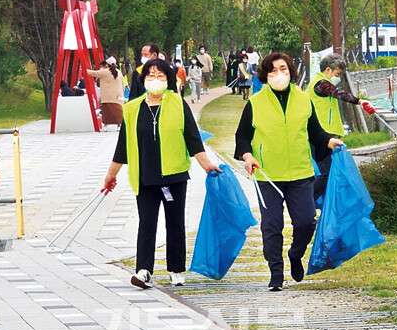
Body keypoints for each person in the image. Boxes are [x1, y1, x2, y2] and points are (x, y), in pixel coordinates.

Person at [103, 58, 221, 289]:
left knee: (175, 223)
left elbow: (193, 140)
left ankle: (176, 269)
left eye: (160, 76)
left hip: (174, 176)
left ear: (168, 80)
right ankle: (144, 270)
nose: (155, 80)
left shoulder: (178, 103)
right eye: (150, 75)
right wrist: (111, 175)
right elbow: (122, 147)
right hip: (144, 176)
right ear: (143, 78)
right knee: (147, 223)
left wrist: (207, 165)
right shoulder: (132, 108)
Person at [234, 53, 343, 291]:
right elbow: (242, 136)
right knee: (271, 225)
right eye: (272, 71)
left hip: (300, 173)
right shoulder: (255, 102)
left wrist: (330, 142)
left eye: (282, 69)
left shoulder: (304, 100)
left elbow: (316, 133)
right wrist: (247, 156)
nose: (278, 74)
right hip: (268, 175)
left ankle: (295, 254)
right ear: (265, 75)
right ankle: (276, 273)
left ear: (291, 71)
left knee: (305, 222)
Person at [305, 53, 375, 201]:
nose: (338, 78)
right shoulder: (321, 84)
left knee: (329, 174)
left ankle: (312, 203)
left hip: (323, 135)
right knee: (327, 174)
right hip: (322, 135)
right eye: (337, 74)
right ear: (328, 70)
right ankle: (305, 201)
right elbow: (337, 93)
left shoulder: (316, 83)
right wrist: (359, 101)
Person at [87, 57, 124, 130]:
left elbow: (93, 73)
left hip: (107, 96)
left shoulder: (105, 72)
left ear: (107, 64)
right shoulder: (119, 72)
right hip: (118, 96)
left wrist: (85, 70)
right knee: (118, 112)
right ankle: (119, 125)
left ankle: (106, 125)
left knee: (106, 111)